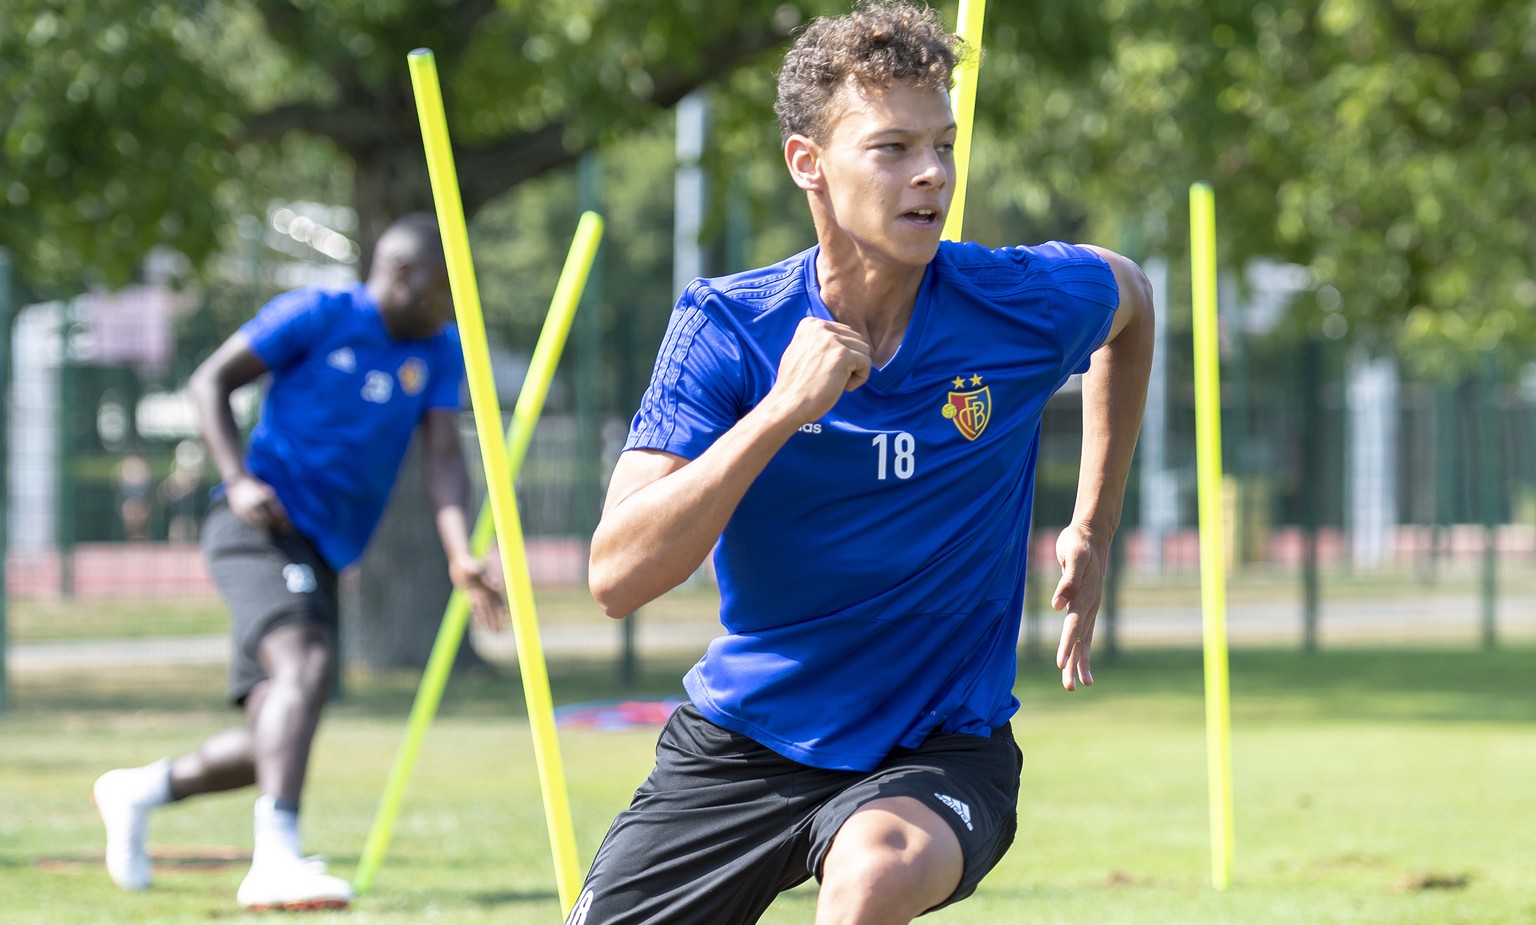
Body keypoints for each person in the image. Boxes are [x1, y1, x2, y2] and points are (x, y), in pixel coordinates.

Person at [572, 3, 1155, 923]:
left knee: (872, 873)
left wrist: (1093, 526)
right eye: (892, 148)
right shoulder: (726, 327)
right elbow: (616, 577)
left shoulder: (1021, 302)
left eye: (944, 146)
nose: (932, 175)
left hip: (936, 746)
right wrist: (780, 412)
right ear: (809, 163)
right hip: (745, 742)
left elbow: (1131, 299)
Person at [92, 213, 504, 911]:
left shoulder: (438, 348)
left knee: (277, 730)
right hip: (256, 524)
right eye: (446, 289)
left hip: (321, 545)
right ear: (404, 275)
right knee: (306, 668)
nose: (455, 305)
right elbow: (208, 382)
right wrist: (239, 478)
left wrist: (461, 551)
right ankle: (276, 856)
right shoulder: (316, 313)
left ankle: (140, 788)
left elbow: (442, 456)